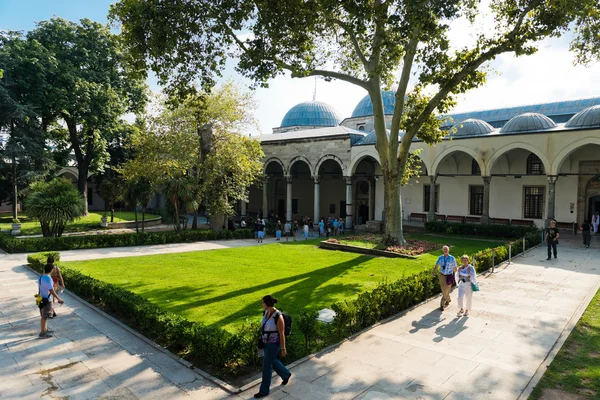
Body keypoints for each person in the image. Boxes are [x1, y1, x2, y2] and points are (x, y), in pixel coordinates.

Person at [255, 295, 291, 398]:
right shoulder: (266, 312)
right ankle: (286, 374)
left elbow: (282, 333)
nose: (262, 304)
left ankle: (264, 391)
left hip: (274, 344)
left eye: (262, 303)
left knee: (266, 366)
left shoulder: (278, 316)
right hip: (265, 342)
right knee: (272, 360)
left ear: (266, 304)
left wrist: (283, 349)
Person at [38, 261, 64, 338]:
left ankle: (45, 330)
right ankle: (42, 333)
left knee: (43, 316)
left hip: (41, 298)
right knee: (44, 317)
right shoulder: (49, 278)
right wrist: (59, 298)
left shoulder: (41, 277)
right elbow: (51, 290)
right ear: (51, 270)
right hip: (47, 300)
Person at [432, 245, 457, 311]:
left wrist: (457, 276)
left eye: (446, 249)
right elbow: (436, 265)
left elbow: (455, 267)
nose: (445, 250)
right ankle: (448, 299)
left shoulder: (452, 258)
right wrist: (433, 272)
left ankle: (442, 304)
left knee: (446, 289)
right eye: (444, 249)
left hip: (449, 276)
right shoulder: (440, 257)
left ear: (448, 250)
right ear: (443, 250)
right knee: (443, 289)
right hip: (442, 275)